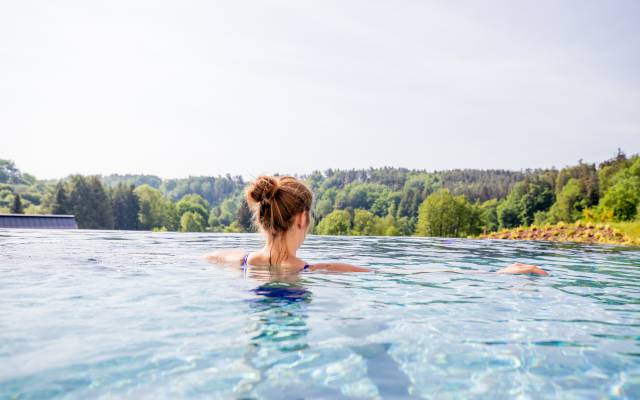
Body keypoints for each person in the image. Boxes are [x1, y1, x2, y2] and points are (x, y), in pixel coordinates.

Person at [206, 175, 548, 276]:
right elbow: (404, 275)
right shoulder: (316, 269)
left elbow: (213, 257)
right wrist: (495, 274)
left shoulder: (240, 261)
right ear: (302, 218)